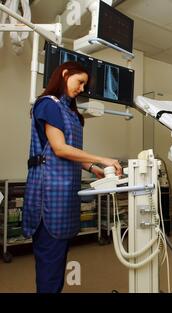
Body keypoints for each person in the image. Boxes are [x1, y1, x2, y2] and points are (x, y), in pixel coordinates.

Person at [22, 61, 123, 293]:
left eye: (84, 85)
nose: (81, 88)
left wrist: (92, 167)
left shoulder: (72, 114)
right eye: (80, 82)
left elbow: (70, 152)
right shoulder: (48, 104)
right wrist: (102, 159)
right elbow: (59, 148)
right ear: (65, 74)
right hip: (49, 195)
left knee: (58, 262)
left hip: (66, 194)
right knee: (50, 267)